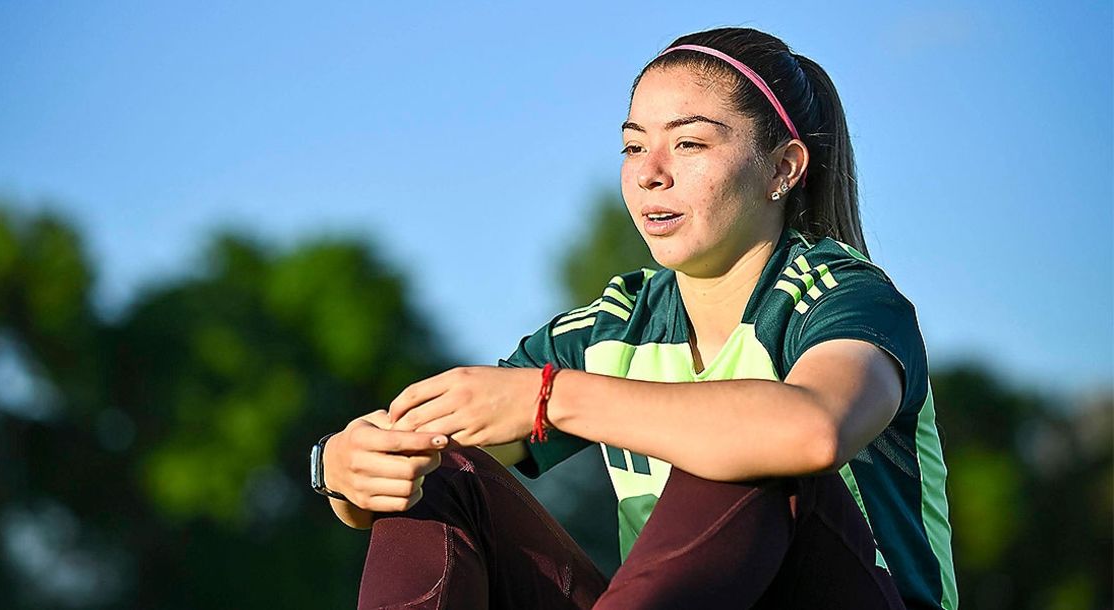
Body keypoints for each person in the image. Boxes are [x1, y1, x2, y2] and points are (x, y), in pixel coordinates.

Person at [311, 26, 958, 609]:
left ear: (783, 168)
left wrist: (550, 397)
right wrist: (343, 469)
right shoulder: (614, 322)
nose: (650, 173)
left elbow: (815, 430)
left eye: (689, 142)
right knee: (448, 474)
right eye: (632, 146)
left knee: (750, 441)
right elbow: (431, 453)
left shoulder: (846, 297)